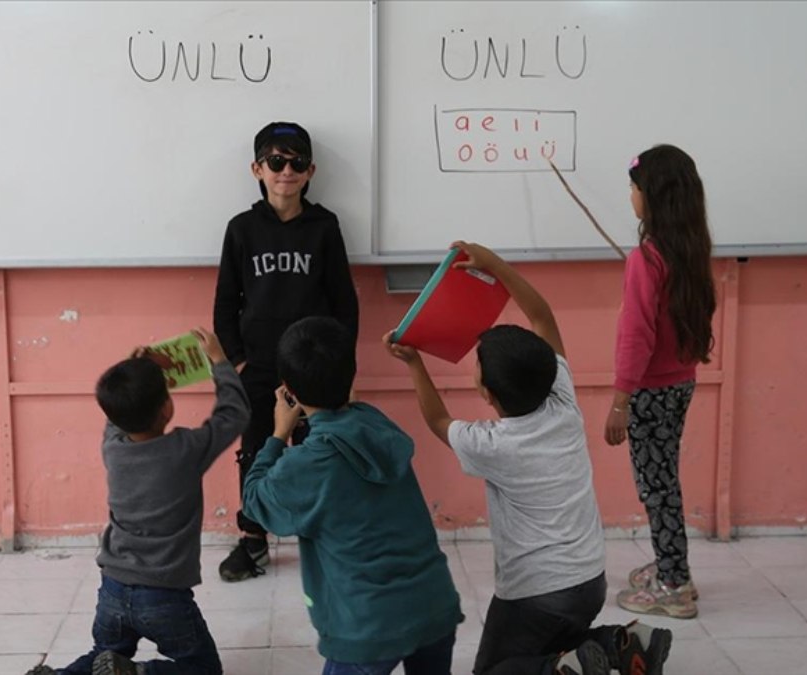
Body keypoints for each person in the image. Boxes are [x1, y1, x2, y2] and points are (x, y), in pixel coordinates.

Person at [384, 241, 673, 675]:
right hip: (590, 580)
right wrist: (496, 265)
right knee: (557, 634)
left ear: (488, 396)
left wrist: (413, 363)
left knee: (498, 671)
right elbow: (542, 316)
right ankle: (616, 643)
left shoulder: (494, 445)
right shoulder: (562, 400)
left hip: (536, 595)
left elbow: (438, 419)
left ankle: (563, 667)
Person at [243, 316, 463, 675]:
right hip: (434, 602)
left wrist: (278, 433)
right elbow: (349, 412)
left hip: (367, 628)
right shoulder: (376, 423)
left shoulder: (305, 465)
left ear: (289, 391)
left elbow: (255, 500)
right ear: (352, 374)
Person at [28, 328, 249, 675]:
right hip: (165, 597)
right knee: (203, 670)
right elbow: (233, 415)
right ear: (167, 407)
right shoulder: (185, 450)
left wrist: (132, 372)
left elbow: (116, 418)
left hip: (113, 589)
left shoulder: (113, 448)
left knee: (104, 653)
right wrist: (220, 361)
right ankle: (137, 672)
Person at [212, 121, 359, 582]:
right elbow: (225, 303)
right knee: (257, 450)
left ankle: (323, 537)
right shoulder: (241, 229)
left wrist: (341, 363)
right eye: (276, 161)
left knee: (319, 450)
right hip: (257, 367)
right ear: (258, 169)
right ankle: (253, 540)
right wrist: (238, 360)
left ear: (310, 170)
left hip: (315, 365)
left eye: (296, 162)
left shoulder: (325, 227)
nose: (286, 171)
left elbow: (344, 301)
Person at [605, 145, 716, 619]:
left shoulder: (646, 259)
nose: (630, 195)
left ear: (654, 196)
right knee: (664, 480)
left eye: (634, 188)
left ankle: (674, 583)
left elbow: (636, 335)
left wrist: (620, 400)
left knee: (656, 485)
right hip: (680, 383)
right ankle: (672, 565)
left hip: (648, 392)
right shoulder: (686, 250)